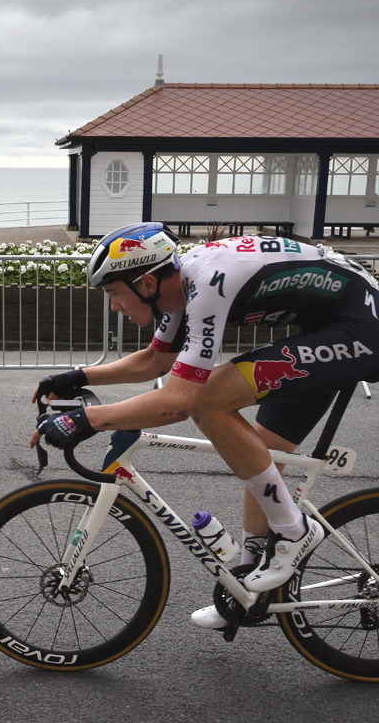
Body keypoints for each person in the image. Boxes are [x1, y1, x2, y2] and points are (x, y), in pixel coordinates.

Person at [31, 222, 379, 629]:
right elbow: (155, 361)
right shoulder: (178, 288)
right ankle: (249, 583)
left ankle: (293, 532)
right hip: (329, 326)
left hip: (363, 328)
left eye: (113, 293)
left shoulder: (209, 283)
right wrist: (78, 378)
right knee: (258, 451)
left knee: (209, 399)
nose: (113, 307)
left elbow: (180, 401)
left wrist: (87, 419)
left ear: (145, 283)